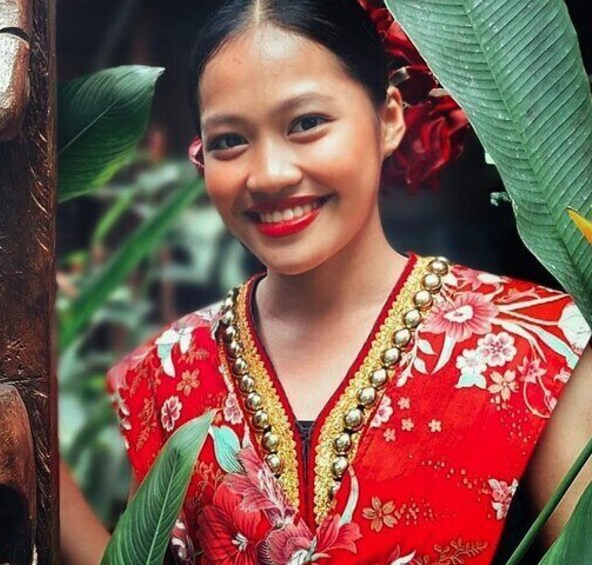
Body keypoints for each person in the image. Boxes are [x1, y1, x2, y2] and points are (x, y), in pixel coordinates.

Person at [62, 0, 592, 563]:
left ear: (389, 120)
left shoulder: (540, 346)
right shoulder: (167, 371)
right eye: (229, 141)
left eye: (307, 123)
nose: (269, 175)